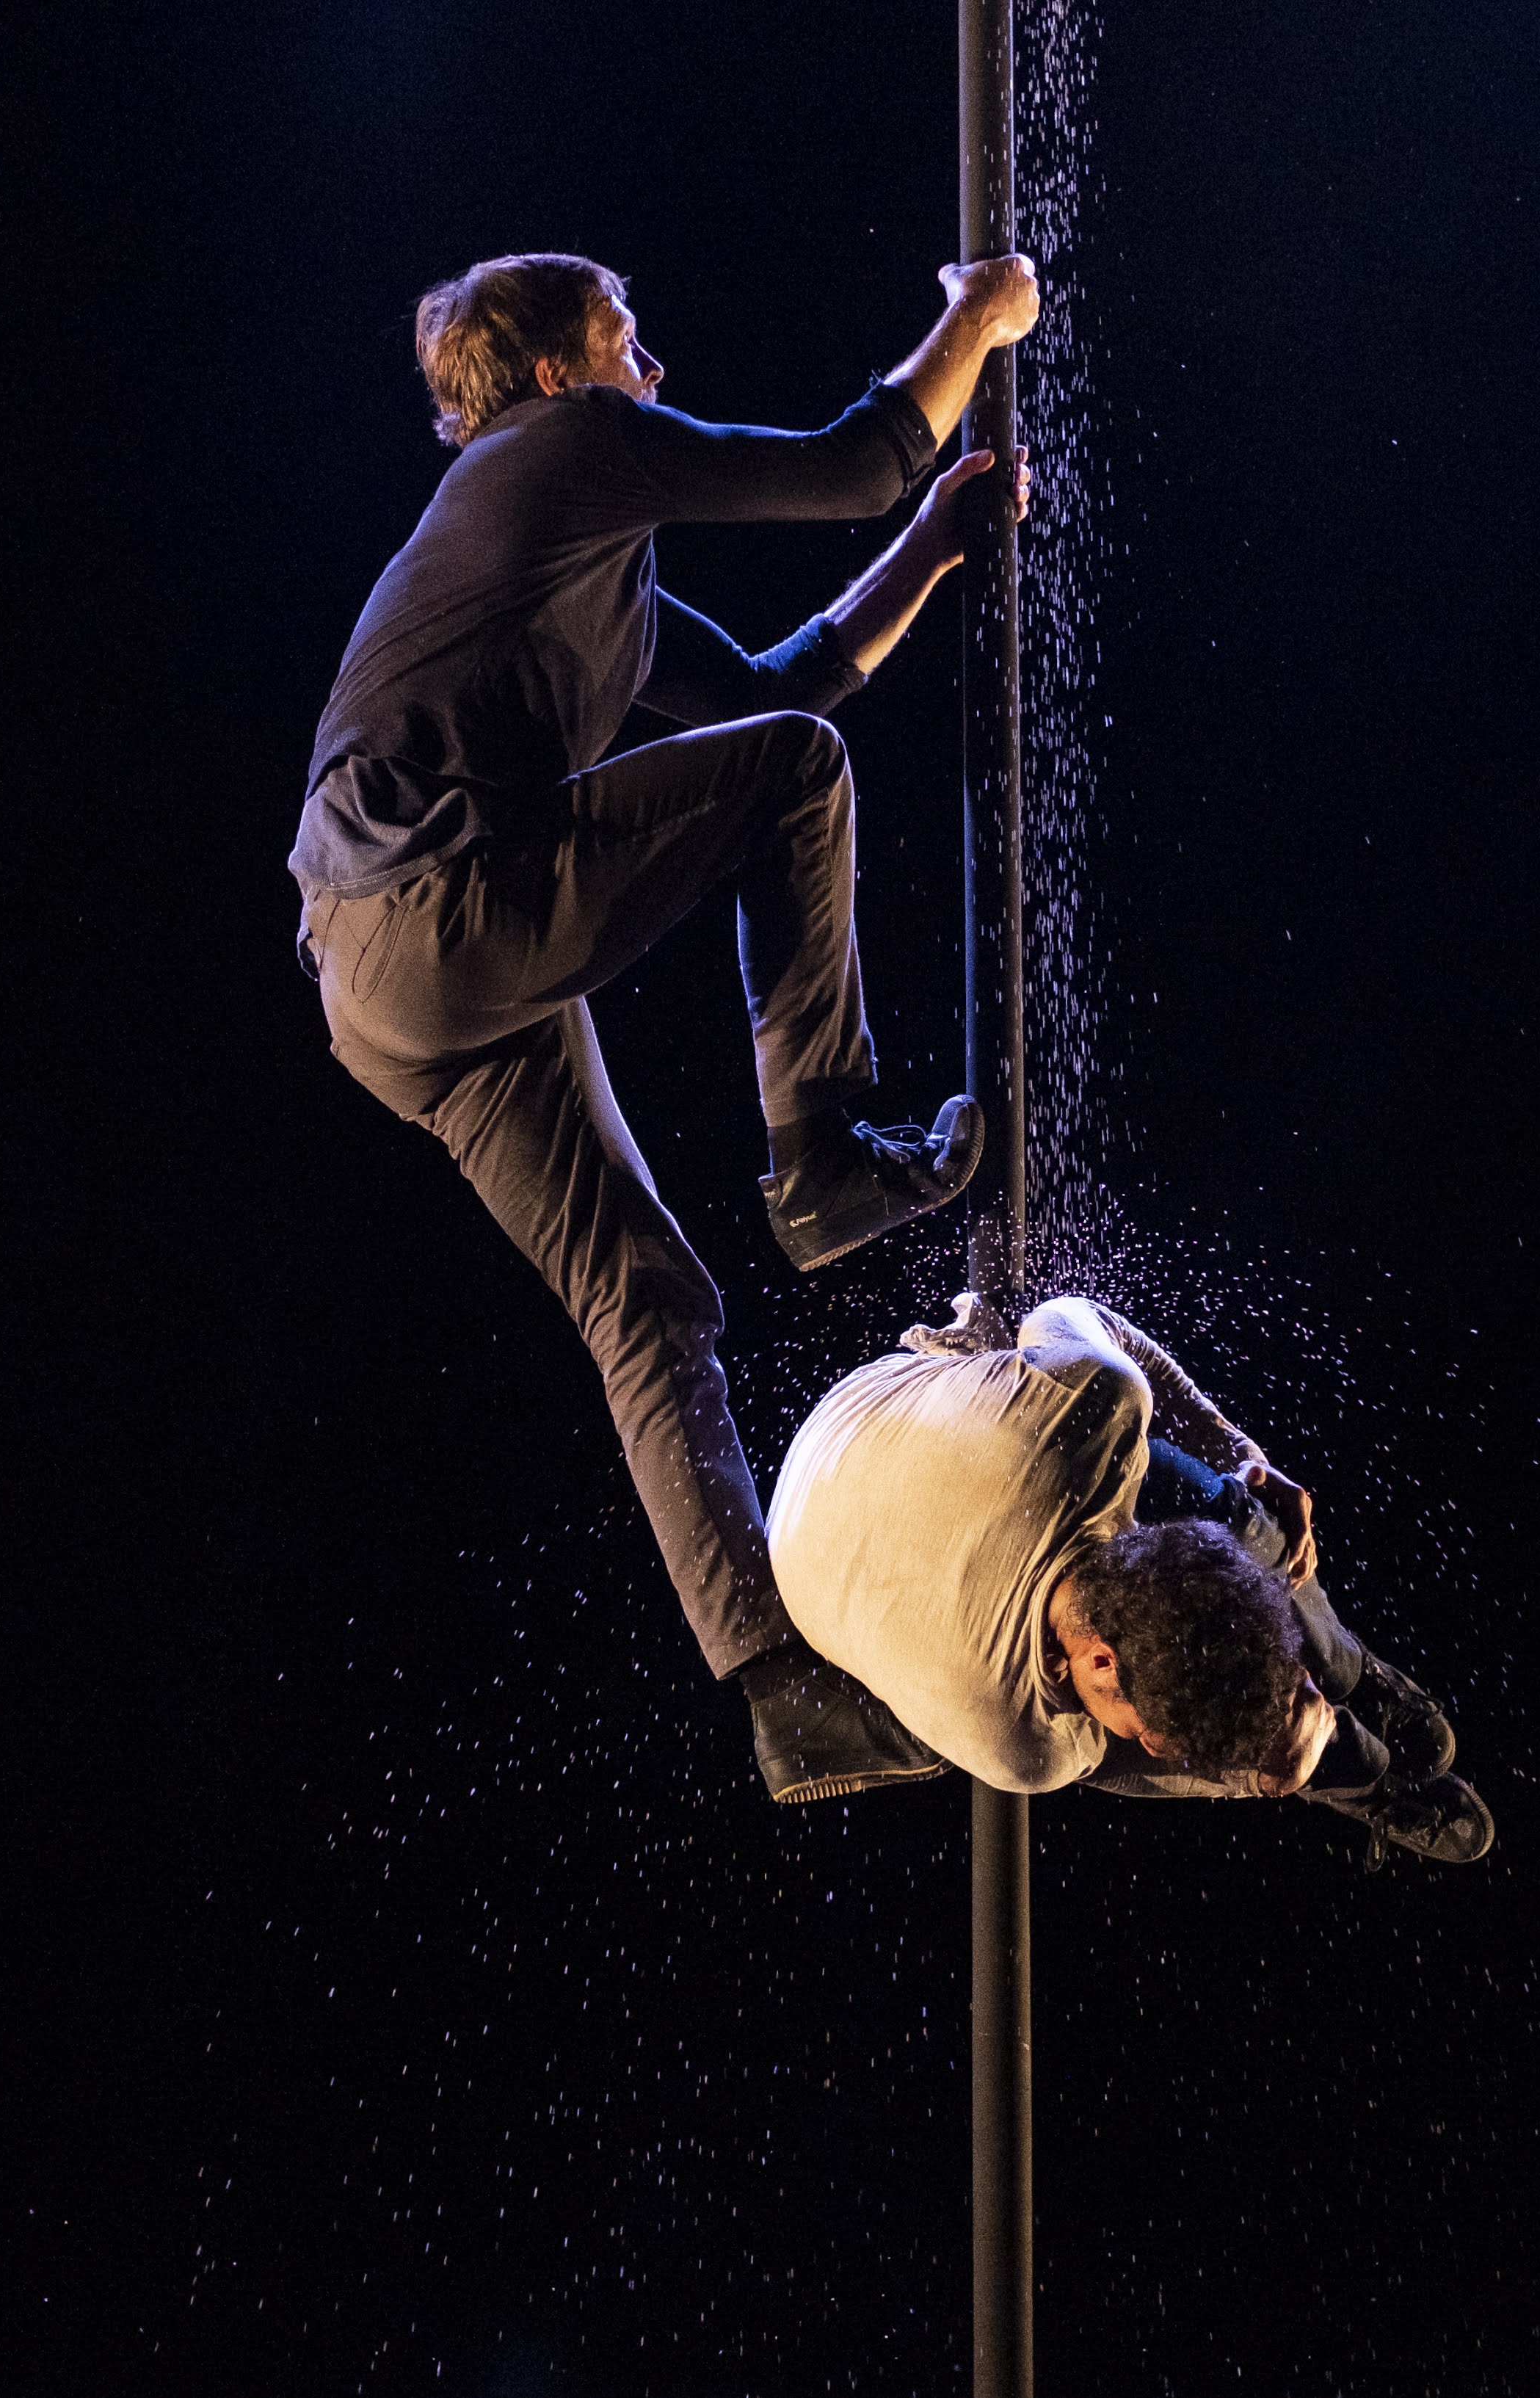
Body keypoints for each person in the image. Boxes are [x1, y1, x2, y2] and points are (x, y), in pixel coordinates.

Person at [291, 248, 1039, 1799]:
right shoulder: (559, 454)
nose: (655, 365)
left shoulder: (588, 573)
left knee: (644, 1294)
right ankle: (823, 1154)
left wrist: (933, 549)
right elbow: (850, 459)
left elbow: (788, 680)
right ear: (560, 373)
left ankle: (781, 1694)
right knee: (788, 777)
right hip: (438, 896)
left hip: (385, 987)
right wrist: (978, 317)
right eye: (627, 338)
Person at [764, 1294, 1496, 1862]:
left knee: (1233, 1524)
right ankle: (1346, 1774)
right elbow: (1060, 1312)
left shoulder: (1099, 1401)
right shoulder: (1026, 1743)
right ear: (1101, 1657)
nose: (1145, 1744)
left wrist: (1238, 1450)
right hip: (843, 1457)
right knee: (1130, 1733)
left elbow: (1063, 1316)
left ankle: (1344, 1676)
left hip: (844, 1459)